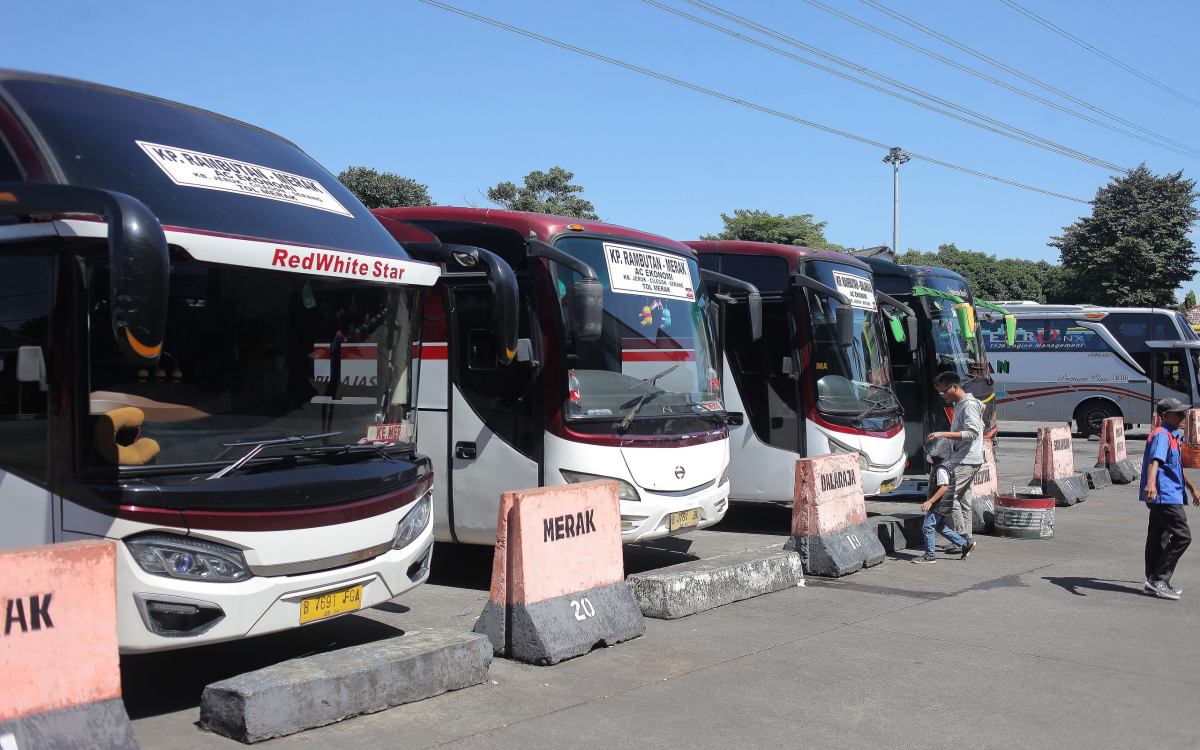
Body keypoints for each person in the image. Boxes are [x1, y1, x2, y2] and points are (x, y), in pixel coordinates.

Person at [1140, 397, 1197, 600]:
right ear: (1165, 416)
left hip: (1169, 493)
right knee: (1183, 536)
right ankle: (1159, 579)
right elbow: (1155, 461)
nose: (1183, 416)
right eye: (1178, 413)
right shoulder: (1161, 435)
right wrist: (1151, 483)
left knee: (1158, 537)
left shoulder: (1174, 436)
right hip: (1163, 495)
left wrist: (1191, 488)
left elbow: (1177, 468)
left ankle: (1152, 581)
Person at [925, 371, 984, 548]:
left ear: (956, 387)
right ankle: (966, 541)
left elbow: (972, 433)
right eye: (940, 393)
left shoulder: (968, 406)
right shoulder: (960, 404)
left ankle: (963, 538)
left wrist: (943, 433)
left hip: (965, 459)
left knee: (950, 497)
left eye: (944, 392)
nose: (943, 396)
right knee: (964, 501)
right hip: (968, 458)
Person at [912, 437, 976, 563]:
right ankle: (964, 544)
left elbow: (943, 488)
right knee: (940, 527)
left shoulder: (941, 468)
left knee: (928, 527)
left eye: (930, 454)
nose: (928, 457)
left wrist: (930, 502)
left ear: (938, 454)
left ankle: (930, 555)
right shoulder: (943, 465)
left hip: (939, 504)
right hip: (943, 504)